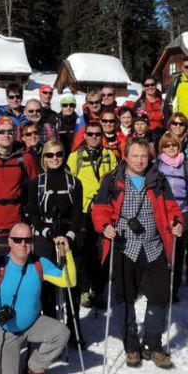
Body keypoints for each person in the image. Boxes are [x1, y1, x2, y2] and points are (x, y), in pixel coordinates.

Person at [92, 138, 184, 369]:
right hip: (124, 245)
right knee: (124, 296)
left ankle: (153, 344)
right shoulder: (113, 180)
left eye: (143, 156)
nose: (140, 160)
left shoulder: (159, 181)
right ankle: (131, 344)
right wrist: (105, 226)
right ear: (126, 157)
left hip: (154, 245)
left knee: (160, 295)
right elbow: (100, 209)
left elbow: (172, 208)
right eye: (135, 156)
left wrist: (176, 222)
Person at [0, 224, 76, 374]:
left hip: (32, 323)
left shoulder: (40, 264)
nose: (23, 244)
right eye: (18, 240)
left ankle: (35, 366)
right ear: (10, 242)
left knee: (61, 333)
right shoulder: (0, 265)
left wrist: (67, 253)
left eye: (27, 239)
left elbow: (68, 281)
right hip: (5, 330)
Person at [27, 140, 85, 346]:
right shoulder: (37, 183)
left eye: (58, 154)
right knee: (48, 282)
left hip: (67, 233)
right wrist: (48, 232)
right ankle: (51, 327)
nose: (55, 159)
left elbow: (79, 213)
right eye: (50, 155)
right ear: (43, 157)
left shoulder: (74, 182)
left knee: (71, 280)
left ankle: (74, 325)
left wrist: (68, 236)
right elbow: (33, 213)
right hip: (46, 233)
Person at [66, 121, 120, 309]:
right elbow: (69, 181)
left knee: (101, 251)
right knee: (81, 250)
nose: (94, 137)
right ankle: (84, 289)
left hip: (103, 209)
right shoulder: (75, 156)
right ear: (85, 135)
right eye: (90, 134)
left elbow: (115, 179)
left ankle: (98, 289)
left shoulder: (109, 155)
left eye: (98, 134)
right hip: (82, 210)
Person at [154, 133, 188, 301]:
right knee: (162, 251)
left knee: (179, 250)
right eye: (167, 145)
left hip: (183, 210)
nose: (171, 148)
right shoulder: (157, 165)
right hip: (163, 210)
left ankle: (173, 289)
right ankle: (161, 285)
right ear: (162, 148)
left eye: (174, 145)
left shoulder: (187, 166)